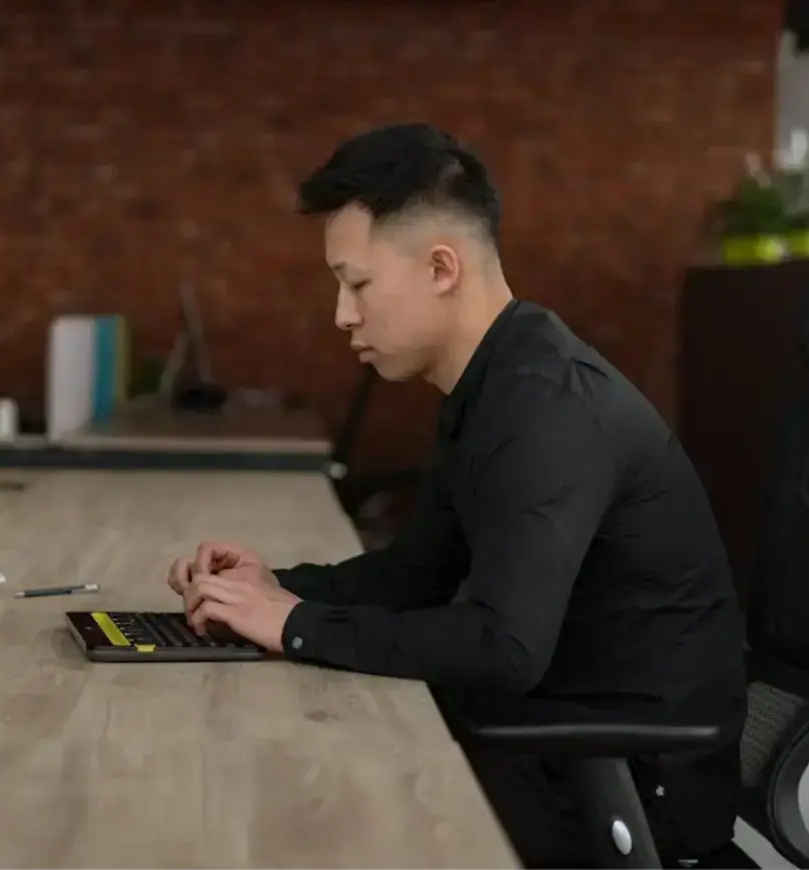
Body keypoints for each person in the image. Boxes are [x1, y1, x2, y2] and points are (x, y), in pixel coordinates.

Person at [165, 123, 746, 866]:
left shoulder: (546, 409)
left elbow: (504, 646)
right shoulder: (491, 385)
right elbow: (417, 574)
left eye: (358, 283)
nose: (342, 314)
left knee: (291, 804)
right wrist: (272, 588)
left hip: (619, 785)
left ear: (442, 267)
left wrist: (299, 625)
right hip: (551, 739)